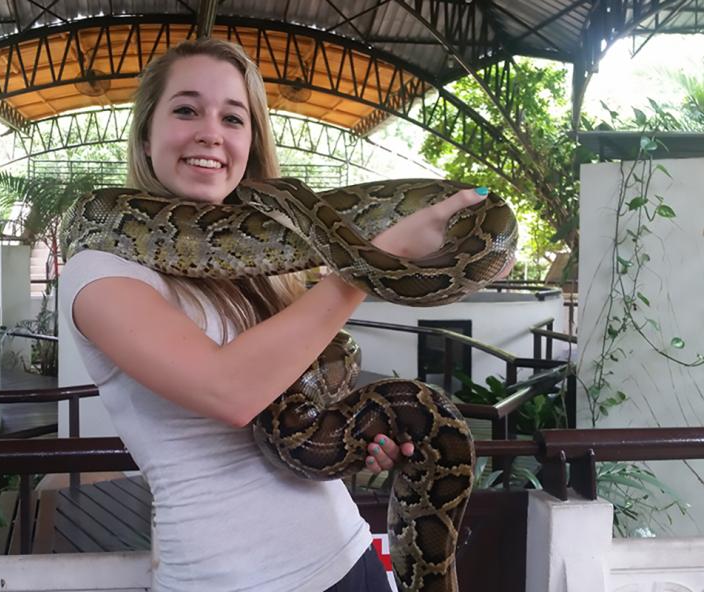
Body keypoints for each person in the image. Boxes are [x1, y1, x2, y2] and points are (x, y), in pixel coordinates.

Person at [61, 39, 489, 592]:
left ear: (250, 142)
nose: (210, 132)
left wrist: (351, 440)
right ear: (145, 134)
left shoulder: (265, 267)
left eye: (233, 118)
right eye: (186, 109)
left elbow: (297, 403)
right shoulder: (99, 270)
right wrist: (376, 258)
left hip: (351, 556)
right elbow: (232, 392)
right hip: (233, 581)